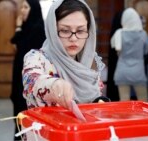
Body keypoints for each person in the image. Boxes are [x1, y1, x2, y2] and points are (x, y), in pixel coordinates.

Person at [22, 0, 108, 110]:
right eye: (65, 30)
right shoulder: (36, 58)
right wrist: (53, 85)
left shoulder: (89, 63)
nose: (73, 38)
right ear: (53, 30)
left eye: (80, 31)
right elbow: (32, 81)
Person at [10, 0, 46, 140]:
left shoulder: (37, 29)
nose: (22, 10)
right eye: (22, 7)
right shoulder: (27, 27)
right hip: (19, 81)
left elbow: (20, 47)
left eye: (26, 7)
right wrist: (19, 27)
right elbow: (14, 42)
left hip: (27, 85)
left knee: (25, 119)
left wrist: (19, 28)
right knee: (18, 118)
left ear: (34, 9)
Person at [110, 8, 148, 101]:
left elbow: (115, 49)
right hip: (138, 72)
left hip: (122, 71)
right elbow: (146, 51)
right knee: (143, 101)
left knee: (124, 102)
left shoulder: (118, 34)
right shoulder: (143, 34)